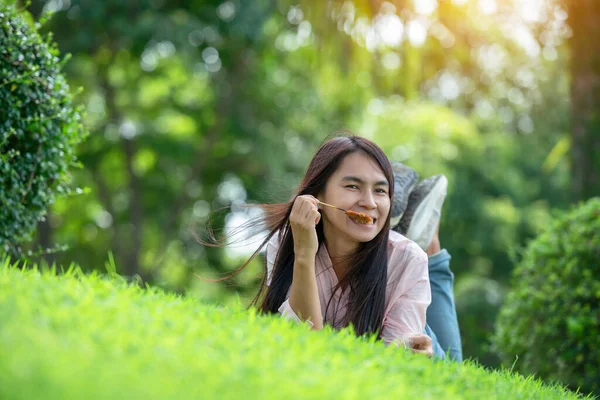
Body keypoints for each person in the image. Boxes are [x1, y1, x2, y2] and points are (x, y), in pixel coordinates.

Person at [212, 133, 462, 359]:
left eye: (380, 190)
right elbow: (305, 340)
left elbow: (392, 362)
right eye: (353, 186)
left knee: (454, 364)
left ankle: (429, 242)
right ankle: (411, 232)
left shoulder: (408, 258)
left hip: (419, 332)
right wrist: (304, 255)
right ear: (319, 194)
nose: (369, 202)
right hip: (390, 267)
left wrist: (402, 348)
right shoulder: (290, 240)